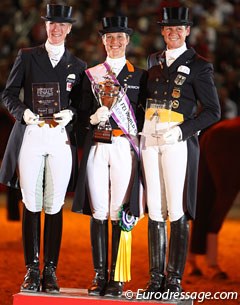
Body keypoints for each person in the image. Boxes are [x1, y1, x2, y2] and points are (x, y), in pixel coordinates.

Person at [0, 4, 86, 293]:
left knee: (54, 204)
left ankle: (50, 269)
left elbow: (81, 106)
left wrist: (71, 114)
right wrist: (22, 112)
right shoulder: (26, 57)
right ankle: (31, 269)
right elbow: (9, 93)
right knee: (32, 203)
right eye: (52, 23)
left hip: (59, 139)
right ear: (45, 26)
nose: (57, 29)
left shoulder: (78, 66)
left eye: (62, 25)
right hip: (31, 135)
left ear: (70, 28)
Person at [140, 6, 221, 295]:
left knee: (175, 208)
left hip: (176, 141)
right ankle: (155, 277)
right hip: (150, 139)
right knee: (155, 210)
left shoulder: (200, 65)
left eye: (179, 28)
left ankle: (173, 278)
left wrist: (183, 130)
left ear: (187, 31)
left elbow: (213, 111)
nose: (173, 33)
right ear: (162, 31)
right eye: (168, 28)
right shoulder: (153, 59)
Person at [72, 16, 147, 297]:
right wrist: (91, 118)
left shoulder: (140, 76)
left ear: (128, 40)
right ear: (103, 41)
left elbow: (142, 116)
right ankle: (99, 274)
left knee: (118, 209)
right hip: (98, 146)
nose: (114, 42)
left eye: (120, 37)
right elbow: (79, 115)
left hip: (124, 147)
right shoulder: (90, 74)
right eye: (109, 38)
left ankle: (116, 278)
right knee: (99, 209)